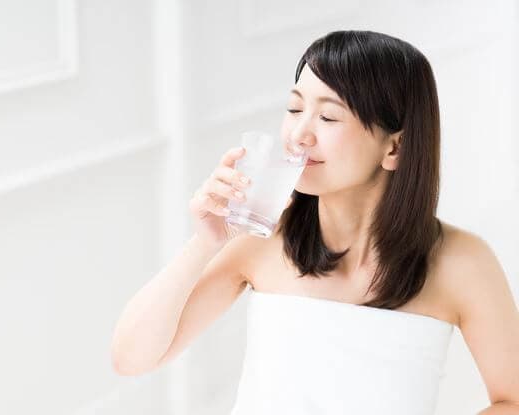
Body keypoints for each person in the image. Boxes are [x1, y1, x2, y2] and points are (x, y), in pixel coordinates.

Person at [110, 30, 519, 414]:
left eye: (328, 117)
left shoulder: (462, 262)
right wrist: (204, 242)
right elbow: (131, 358)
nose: (298, 135)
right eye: (294, 108)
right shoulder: (263, 238)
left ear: (395, 146)